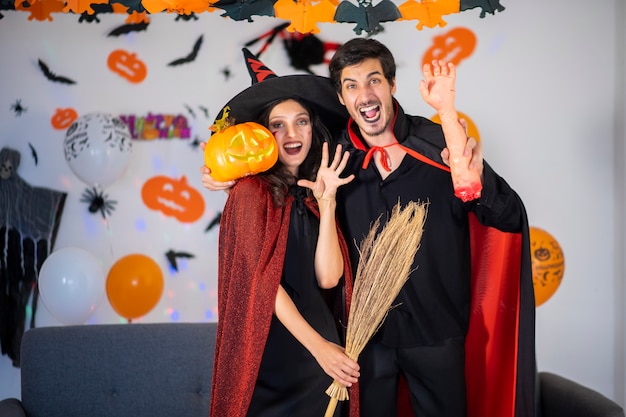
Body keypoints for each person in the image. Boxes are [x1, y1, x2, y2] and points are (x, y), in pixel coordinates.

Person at [203, 40, 536, 417]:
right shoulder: (333, 160)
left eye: (374, 80)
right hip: (364, 343)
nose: (365, 93)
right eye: (351, 85)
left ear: (392, 85)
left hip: (437, 336)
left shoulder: (440, 147)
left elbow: (506, 217)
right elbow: (280, 193)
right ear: (342, 98)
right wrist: (229, 177)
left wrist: (478, 178)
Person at [206, 63, 361, 417]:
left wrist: (328, 203)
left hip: (322, 357)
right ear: (262, 134)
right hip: (274, 352)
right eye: (278, 124)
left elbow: (328, 278)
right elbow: (261, 284)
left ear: (313, 127)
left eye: (301, 121)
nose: (293, 133)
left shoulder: (313, 193)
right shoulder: (248, 194)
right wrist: (319, 347)